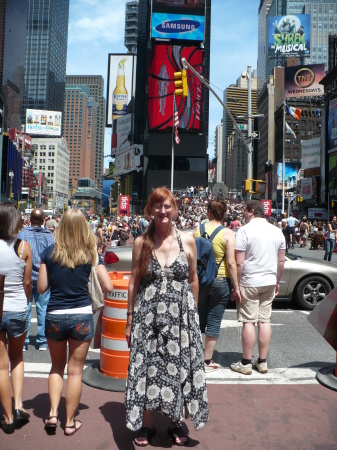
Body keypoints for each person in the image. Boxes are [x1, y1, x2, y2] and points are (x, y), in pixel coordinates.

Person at [125, 187, 208, 447]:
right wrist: (129, 319)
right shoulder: (142, 242)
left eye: (167, 206)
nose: (163, 211)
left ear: (175, 209)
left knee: (178, 365)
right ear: (150, 209)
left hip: (180, 319)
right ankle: (147, 423)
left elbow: (193, 279)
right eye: (158, 206)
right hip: (147, 318)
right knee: (147, 367)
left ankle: (174, 421)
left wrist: (192, 314)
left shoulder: (188, 240)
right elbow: (133, 282)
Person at [37, 209, 113, 436]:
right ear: (83, 228)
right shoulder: (90, 254)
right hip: (81, 315)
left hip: (54, 317)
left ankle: (52, 413)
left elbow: (41, 288)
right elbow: (108, 287)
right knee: (76, 371)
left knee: (56, 367)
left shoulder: (49, 253)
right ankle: (69, 422)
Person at [231, 200, 286, 375]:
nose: (243, 214)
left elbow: (239, 262)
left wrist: (236, 285)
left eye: (244, 211)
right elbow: (281, 261)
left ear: (252, 211)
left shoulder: (244, 231)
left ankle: (246, 363)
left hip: (249, 281)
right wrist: (277, 281)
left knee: (248, 321)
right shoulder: (277, 231)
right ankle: (262, 362)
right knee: (264, 320)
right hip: (269, 281)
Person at [194, 199, 240, 372]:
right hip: (221, 281)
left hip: (200, 280)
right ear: (224, 214)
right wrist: (236, 287)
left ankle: (194, 356)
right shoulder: (228, 234)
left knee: (197, 319)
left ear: (208, 212)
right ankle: (206, 361)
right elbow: (231, 263)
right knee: (214, 321)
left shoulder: (198, 229)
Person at [0, 202, 32, 433]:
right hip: (18, 308)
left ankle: (8, 418)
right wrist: (25, 301)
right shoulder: (23, 247)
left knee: (1, 367)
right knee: (17, 358)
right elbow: (28, 283)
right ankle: (19, 405)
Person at [18, 208, 55, 351]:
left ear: (30, 219)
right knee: (43, 309)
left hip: (25, 277)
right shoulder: (49, 236)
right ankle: (42, 341)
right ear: (43, 221)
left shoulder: (23, 234)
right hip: (43, 279)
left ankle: (24, 341)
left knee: (25, 310)